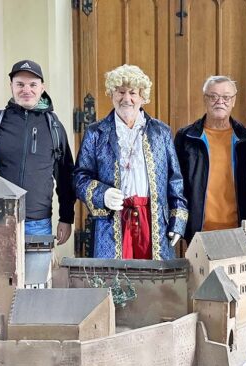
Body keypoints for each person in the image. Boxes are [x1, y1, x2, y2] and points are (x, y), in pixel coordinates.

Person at [73, 64, 188, 259]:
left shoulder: (161, 132)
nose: (127, 99)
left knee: (153, 278)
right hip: (111, 222)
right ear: (112, 94)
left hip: (153, 223)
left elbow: (174, 179)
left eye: (133, 93)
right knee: (115, 278)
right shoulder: (96, 133)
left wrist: (178, 222)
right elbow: (80, 178)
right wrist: (103, 194)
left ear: (142, 97)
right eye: (120, 92)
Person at [0, 60, 75, 241]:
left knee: (38, 263)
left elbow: (65, 176)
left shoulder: (54, 126)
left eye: (32, 85)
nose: (26, 90)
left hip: (38, 224)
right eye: (20, 84)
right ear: (11, 86)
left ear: (42, 88)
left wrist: (66, 217)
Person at [174, 75, 246, 243]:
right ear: (205, 99)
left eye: (226, 97)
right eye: (213, 96)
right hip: (199, 231)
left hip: (239, 231)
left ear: (233, 101)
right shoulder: (186, 137)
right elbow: (176, 183)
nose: (220, 102)